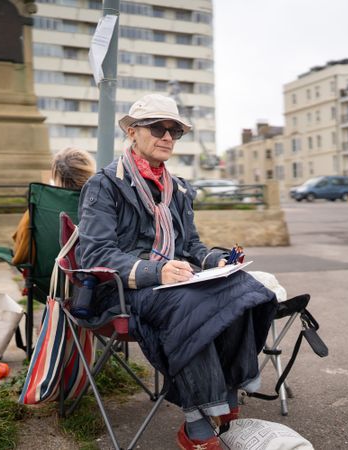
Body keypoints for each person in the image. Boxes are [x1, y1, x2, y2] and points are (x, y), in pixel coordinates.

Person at [76, 94, 278, 449]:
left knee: (244, 288)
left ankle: (226, 394)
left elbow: (191, 247)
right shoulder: (104, 185)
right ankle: (197, 423)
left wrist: (216, 261)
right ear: (133, 132)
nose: (167, 136)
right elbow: (96, 253)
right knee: (190, 305)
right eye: (158, 127)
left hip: (175, 282)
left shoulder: (179, 189)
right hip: (123, 290)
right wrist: (157, 272)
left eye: (175, 131)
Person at [12, 147, 95, 265]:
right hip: (89, 278)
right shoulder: (99, 205)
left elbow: (21, 249)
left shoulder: (39, 207)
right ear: (89, 172)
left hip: (46, 277)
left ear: (56, 175)